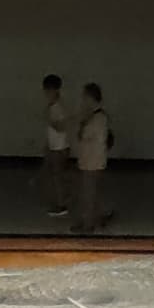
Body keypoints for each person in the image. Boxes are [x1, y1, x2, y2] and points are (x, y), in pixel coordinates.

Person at [71, 82, 111, 234]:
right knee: (92, 192)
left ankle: (88, 224)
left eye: (84, 97)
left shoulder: (98, 119)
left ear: (90, 98)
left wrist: (83, 128)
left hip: (92, 162)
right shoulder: (94, 117)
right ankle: (98, 218)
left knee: (88, 193)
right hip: (90, 160)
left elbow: (91, 138)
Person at [38, 74, 73, 217]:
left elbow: (61, 127)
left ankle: (62, 204)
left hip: (60, 148)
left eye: (48, 90)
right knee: (56, 176)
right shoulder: (53, 106)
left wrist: (49, 119)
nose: (46, 93)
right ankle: (61, 199)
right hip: (55, 147)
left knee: (58, 177)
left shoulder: (58, 107)